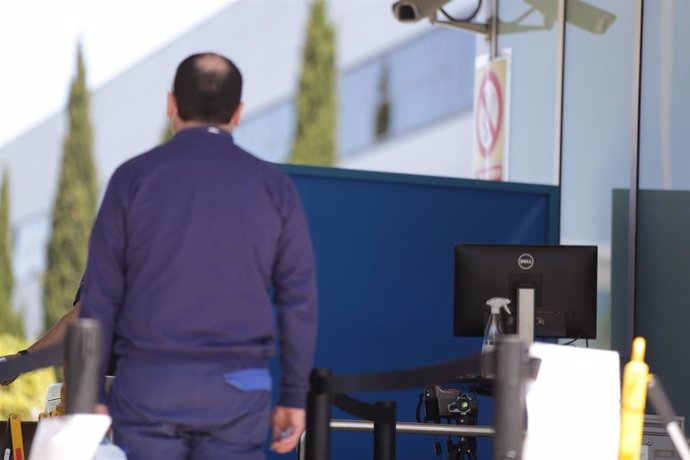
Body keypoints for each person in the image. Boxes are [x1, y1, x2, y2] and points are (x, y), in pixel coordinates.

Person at [78, 52, 318, 460]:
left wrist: (90, 394)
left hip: (149, 388)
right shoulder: (274, 188)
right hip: (238, 391)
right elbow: (299, 301)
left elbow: (99, 297)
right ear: (238, 113)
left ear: (171, 104)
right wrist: (295, 396)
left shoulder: (131, 179)